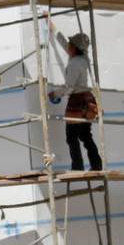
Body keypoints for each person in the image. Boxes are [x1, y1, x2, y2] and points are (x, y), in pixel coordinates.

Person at [47, 32, 102, 171]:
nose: (68, 46)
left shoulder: (74, 64)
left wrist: (55, 93)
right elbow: (65, 44)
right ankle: (96, 164)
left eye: (70, 44)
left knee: (72, 137)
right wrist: (50, 24)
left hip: (77, 102)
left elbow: (69, 87)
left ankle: (77, 166)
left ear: (74, 48)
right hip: (87, 99)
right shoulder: (83, 59)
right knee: (85, 136)